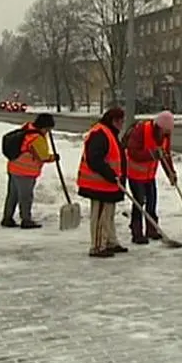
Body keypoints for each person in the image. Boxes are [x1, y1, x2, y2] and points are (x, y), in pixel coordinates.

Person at [77, 107, 129, 258]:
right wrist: (110, 174)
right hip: (99, 184)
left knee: (108, 215)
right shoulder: (100, 133)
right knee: (100, 216)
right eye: (121, 121)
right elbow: (94, 159)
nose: (122, 125)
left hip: (109, 184)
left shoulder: (109, 133)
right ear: (114, 121)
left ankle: (110, 241)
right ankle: (97, 246)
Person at [123, 110, 176, 244]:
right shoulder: (141, 130)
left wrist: (171, 173)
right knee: (139, 202)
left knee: (152, 202)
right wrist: (152, 155)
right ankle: (137, 232)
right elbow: (133, 152)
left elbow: (165, 155)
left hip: (149, 175)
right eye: (164, 131)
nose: (166, 135)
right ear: (158, 127)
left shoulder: (165, 135)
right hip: (135, 174)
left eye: (168, 132)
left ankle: (151, 229)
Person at [1, 113, 59, 229]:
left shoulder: (27, 129)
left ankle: (7, 218)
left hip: (13, 167)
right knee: (26, 197)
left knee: (13, 195)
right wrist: (54, 157)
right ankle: (26, 220)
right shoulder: (36, 138)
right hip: (25, 171)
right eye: (48, 129)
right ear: (44, 126)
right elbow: (43, 156)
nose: (48, 132)